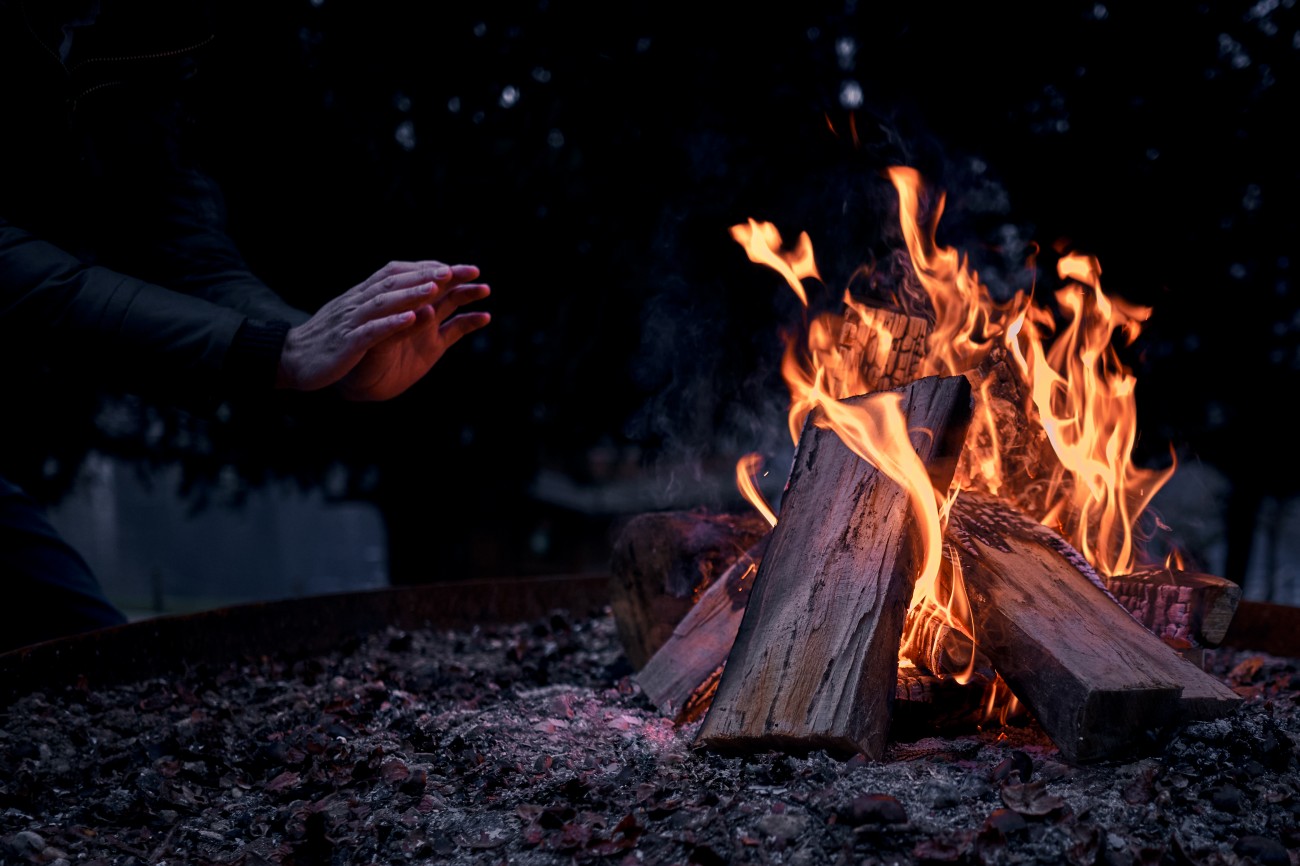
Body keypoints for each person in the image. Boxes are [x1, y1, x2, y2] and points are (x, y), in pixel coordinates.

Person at [0, 0, 491, 651]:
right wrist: (271, 352)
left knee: (85, 670)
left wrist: (328, 348)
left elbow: (173, 234)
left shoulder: (124, 30)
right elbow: (26, 281)